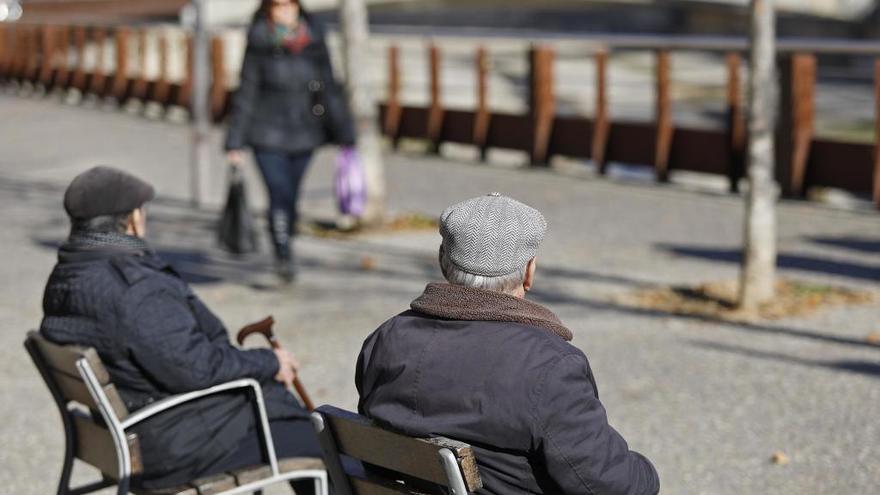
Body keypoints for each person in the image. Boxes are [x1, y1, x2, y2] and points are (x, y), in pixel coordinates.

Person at [40, 166, 322, 492]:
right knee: (314, 438)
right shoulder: (134, 288)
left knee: (287, 417)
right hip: (178, 446)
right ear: (132, 219)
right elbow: (196, 368)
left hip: (136, 431)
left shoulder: (65, 278)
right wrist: (270, 362)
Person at [356, 193, 660, 494]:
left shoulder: (387, 338)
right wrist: (648, 473)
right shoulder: (550, 366)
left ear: (441, 260)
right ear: (529, 272)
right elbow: (611, 486)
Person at [225, 0, 355, 282]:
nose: (284, 12)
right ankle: (283, 254)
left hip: (305, 132)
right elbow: (245, 91)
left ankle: (286, 234)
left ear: (298, 7)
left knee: (291, 196)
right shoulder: (259, 41)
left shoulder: (314, 40)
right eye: (277, 6)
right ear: (268, 10)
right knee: (278, 192)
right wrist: (234, 142)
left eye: (288, 5)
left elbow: (330, 86)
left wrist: (345, 133)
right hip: (266, 133)